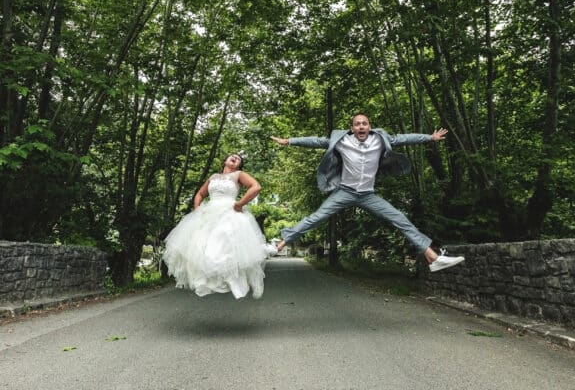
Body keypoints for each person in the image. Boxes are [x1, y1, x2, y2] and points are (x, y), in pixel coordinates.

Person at [270, 113, 464, 272]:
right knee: (317, 217)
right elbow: (316, 141)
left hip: (368, 195)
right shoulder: (342, 141)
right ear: (352, 128)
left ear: (369, 126)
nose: (361, 126)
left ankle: (433, 257)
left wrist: (430, 137)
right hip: (344, 192)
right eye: (357, 124)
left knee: (400, 219)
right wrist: (289, 141)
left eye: (364, 123)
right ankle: (279, 244)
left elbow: (405, 138)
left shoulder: (381, 140)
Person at [162, 153, 277, 299]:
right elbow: (199, 194)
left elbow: (256, 187)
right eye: (232, 156)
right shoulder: (213, 177)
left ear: (238, 165)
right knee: (201, 246)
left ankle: (231, 279)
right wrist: (198, 210)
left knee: (223, 241)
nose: (235, 158)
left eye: (239, 159)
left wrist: (240, 204)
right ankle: (209, 280)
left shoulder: (238, 175)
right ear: (225, 160)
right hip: (209, 213)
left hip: (229, 212)